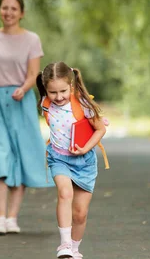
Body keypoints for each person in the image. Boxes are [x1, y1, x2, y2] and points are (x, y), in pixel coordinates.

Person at [0, 0, 52, 235]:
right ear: (0, 10)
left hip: (20, 100)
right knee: (0, 155)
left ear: (21, 13)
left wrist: (24, 88)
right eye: (4, 8)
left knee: (19, 157)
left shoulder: (31, 40)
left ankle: (12, 217)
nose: (8, 12)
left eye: (13, 9)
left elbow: (33, 75)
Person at [36, 62, 107, 258]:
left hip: (84, 162)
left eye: (63, 91)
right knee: (65, 193)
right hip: (59, 158)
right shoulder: (45, 103)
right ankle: (65, 245)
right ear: (46, 90)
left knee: (80, 213)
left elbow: (100, 129)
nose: (58, 97)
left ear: (72, 86)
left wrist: (85, 148)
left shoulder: (83, 104)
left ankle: (74, 250)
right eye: (53, 92)